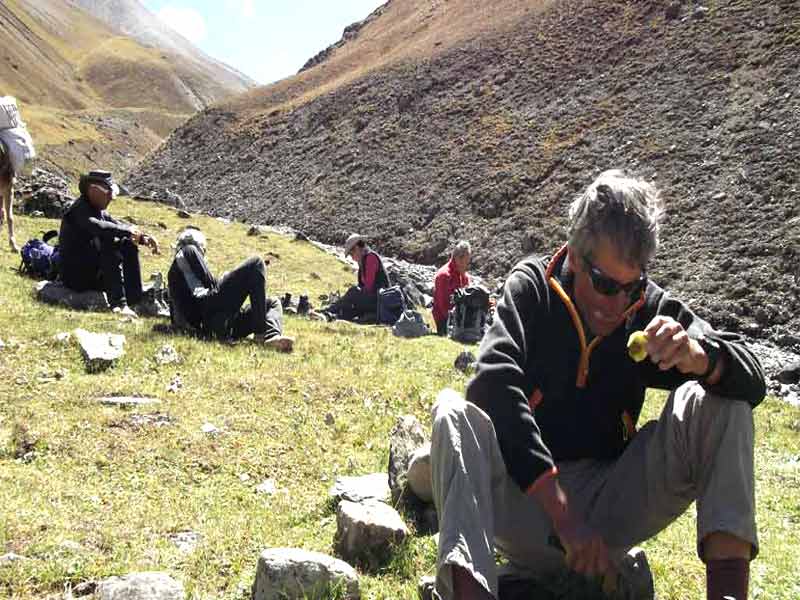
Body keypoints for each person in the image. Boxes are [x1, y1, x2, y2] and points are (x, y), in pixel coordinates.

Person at [430, 169, 765, 600]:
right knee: (452, 412)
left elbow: (752, 376)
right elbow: (492, 380)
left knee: (723, 400)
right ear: (573, 254)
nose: (617, 304)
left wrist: (698, 357)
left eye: (632, 286)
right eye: (604, 284)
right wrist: (563, 515)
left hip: (609, 508)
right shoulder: (534, 288)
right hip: (528, 504)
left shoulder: (646, 309)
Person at [167, 226, 293, 352]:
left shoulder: (178, 270)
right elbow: (211, 285)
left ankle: (272, 338)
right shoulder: (188, 250)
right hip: (207, 315)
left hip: (213, 323)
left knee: (272, 302)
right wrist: (227, 279)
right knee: (256, 263)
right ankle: (261, 335)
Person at [59, 170, 159, 316]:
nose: (111, 198)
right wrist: (127, 231)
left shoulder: (98, 210)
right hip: (76, 277)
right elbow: (99, 227)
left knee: (128, 243)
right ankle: (118, 304)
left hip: (93, 270)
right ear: (93, 191)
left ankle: (135, 299)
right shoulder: (79, 210)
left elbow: (116, 225)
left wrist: (143, 238)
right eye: (108, 193)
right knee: (108, 244)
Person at [322, 233, 389, 322]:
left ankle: (329, 310)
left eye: (351, 253)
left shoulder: (371, 258)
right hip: (372, 299)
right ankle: (330, 316)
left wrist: (353, 298)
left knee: (353, 291)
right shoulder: (363, 261)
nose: (352, 257)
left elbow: (368, 287)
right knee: (348, 309)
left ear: (357, 248)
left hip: (379, 301)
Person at [432, 240, 472, 335]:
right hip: (444, 321)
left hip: (460, 317)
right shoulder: (444, 275)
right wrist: (456, 322)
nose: (467, 265)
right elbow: (443, 306)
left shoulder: (464, 276)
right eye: (466, 261)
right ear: (458, 258)